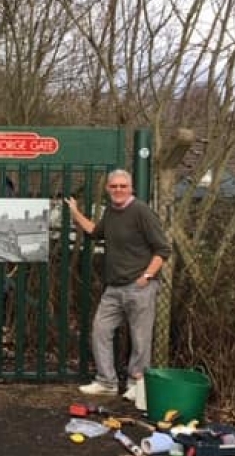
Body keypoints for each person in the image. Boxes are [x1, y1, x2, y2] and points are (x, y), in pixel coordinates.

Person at [64, 169, 171, 402]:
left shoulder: (141, 211)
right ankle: (106, 382)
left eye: (123, 186)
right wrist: (75, 212)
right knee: (100, 331)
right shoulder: (112, 212)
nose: (118, 190)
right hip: (113, 288)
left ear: (131, 188)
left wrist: (147, 276)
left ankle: (136, 385)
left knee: (141, 339)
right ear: (108, 189)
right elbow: (95, 232)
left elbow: (163, 249)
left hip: (139, 286)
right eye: (114, 186)